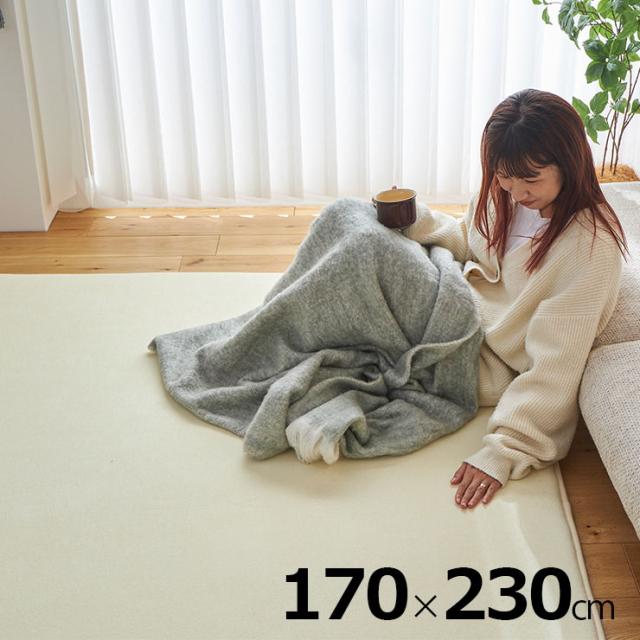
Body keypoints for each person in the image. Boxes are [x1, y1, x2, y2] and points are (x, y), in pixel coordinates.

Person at [399, 88, 630, 510]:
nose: (516, 190)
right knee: (351, 223)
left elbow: (556, 362)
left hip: (484, 353)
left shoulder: (590, 248)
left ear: (569, 162)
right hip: (456, 301)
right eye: (505, 175)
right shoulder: (501, 193)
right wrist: (413, 222)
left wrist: (504, 449)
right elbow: (470, 241)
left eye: (531, 179)